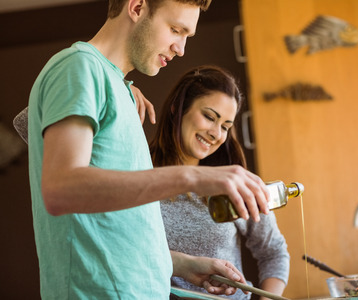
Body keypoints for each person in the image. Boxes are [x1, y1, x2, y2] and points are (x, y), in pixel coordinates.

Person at [27, 0, 272, 298]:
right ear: (137, 7)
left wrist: (182, 264)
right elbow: (60, 189)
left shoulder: (112, 84)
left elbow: (115, 228)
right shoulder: (78, 67)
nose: (181, 48)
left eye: (187, 36)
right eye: (175, 29)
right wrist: (190, 178)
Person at [149, 65, 290, 300]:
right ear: (177, 109)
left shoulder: (232, 184)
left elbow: (274, 253)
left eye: (225, 126)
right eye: (209, 117)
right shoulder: (136, 175)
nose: (216, 133)